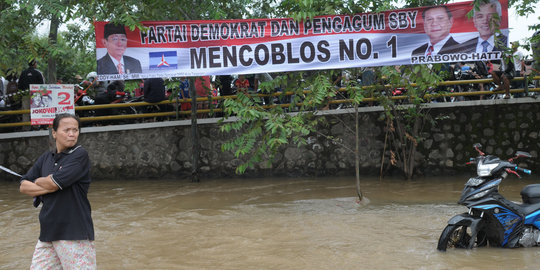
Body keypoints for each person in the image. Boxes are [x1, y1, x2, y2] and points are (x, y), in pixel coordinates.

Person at [19, 113, 96, 269]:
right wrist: (44, 184)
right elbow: (23, 186)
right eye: (67, 129)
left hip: (74, 233)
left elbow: (54, 184)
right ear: (54, 132)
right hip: (47, 233)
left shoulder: (79, 155)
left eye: (75, 130)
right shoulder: (46, 158)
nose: (72, 134)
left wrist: (39, 182)